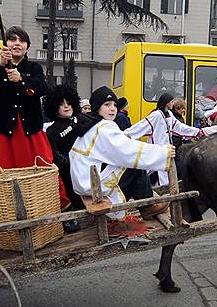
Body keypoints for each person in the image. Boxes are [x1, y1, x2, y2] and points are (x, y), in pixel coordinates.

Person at [0, 26, 69, 209]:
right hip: (6, 130)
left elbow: (41, 88)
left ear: (27, 46)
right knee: (9, 172)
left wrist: (21, 79)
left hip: (31, 128)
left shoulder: (34, 67)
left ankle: (59, 205)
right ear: (6, 44)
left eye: (22, 41)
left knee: (44, 166)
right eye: (12, 40)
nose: (17, 44)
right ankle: (14, 211)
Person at [70, 87, 174, 220]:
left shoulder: (91, 125)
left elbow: (119, 146)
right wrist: (163, 153)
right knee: (135, 166)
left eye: (114, 105)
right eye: (107, 105)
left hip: (84, 182)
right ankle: (147, 206)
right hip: (92, 185)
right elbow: (128, 151)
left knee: (131, 162)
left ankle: (144, 200)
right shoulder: (103, 127)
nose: (112, 108)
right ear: (97, 108)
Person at [125, 92, 204, 186]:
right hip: (157, 150)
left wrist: (197, 132)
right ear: (167, 103)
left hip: (166, 151)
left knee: (163, 175)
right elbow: (141, 126)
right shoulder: (156, 115)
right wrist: (125, 135)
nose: (173, 104)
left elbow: (180, 127)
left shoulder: (169, 114)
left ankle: (163, 193)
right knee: (151, 173)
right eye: (171, 102)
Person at [44, 85, 84, 231]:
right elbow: (55, 155)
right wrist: (71, 163)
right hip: (68, 174)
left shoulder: (80, 120)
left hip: (87, 169)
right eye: (61, 104)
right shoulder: (52, 130)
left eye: (68, 102)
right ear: (55, 107)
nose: (66, 106)